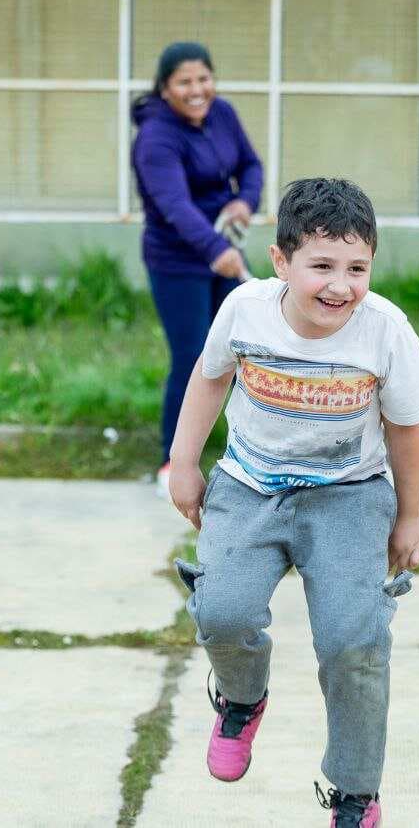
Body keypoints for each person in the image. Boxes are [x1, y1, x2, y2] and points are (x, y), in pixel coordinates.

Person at [168, 178, 419, 828]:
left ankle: (356, 791)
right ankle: (241, 698)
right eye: (322, 266)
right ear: (281, 261)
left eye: (357, 268)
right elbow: (210, 378)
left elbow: (406, 428)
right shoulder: (245, 310)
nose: (341, 286)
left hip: (349, 495)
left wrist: (411, 515)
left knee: (352, 640)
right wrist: (184, 462)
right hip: (249, 485)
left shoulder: (386, 331)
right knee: (221, 610)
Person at [131, 41, 264, 496]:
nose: (196, 90)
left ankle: (248, 451)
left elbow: (251, 164)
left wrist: (245, 202)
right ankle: (174, 462)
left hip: (222, 248)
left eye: (203, 78)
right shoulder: (155, 138)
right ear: (165, 88)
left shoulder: (222, 113)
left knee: (244, 348)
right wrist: (213, 250)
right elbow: (174, 206)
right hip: (177, 260)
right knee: (193, 356)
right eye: (184, 82)